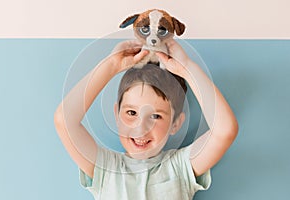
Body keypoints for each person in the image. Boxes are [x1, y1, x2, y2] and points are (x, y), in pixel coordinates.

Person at [54, 39, 238, 200]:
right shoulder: (106, 168)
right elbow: (64, 121)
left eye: (156, 116)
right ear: (117, 114)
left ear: (176, 124)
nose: (140, 127)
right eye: (131, 113)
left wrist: (187, 68)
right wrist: (111, 66)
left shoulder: (180, 167)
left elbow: (225, 130)